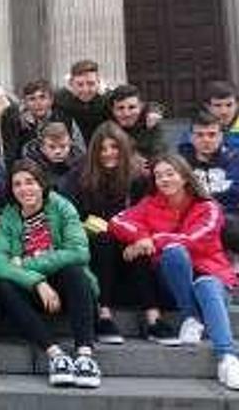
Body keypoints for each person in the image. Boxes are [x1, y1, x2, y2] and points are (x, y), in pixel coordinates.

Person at [110, 154, 239, 390]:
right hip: (172, 283)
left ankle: (228, 358)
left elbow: (195, 240)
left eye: (170, 173)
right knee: (173, 254)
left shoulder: (208, 207)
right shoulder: (150, 203)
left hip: (213, 278)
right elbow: (117, 221)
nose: (164, 179)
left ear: (184, 176)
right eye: (159, 176)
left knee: (204, 282)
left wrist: (151, 239)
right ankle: (191, 315)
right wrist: (140, 236)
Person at [0, 159, 101, 388]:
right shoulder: (9, 216)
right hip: (33, 294)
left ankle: (85, 356)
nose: (24, 189)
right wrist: (37, 282)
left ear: (41, 184)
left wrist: (27, 264)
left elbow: (79, 252)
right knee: (3, 284)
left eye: (30, 182)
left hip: (70, 292)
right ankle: (55, 355)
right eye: (17, 184)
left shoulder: (62, 206)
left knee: (74, 271)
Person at [62, 122, 175, 345]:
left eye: (114, 147)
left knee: (139, 246)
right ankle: (104, 314)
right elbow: (71, 217)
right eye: (102, 149)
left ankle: (153, 318)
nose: (108, 153)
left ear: (123, 148)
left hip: (128, 240)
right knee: (104, 240)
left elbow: (146, 214)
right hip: (94, 242)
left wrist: (135, 237)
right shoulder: (79, 176)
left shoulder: (138, 178)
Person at [179, 111, 239, 253]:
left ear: (221, 136)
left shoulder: (235, 160)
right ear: (191, 137)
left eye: (212, 135)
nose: (206, 140)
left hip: (230, 219)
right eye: (200, 135)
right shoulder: (179, 163)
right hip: (192, 220)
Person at [2, 79, 83, 168]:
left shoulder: (64, 118)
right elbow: (10, 154)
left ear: (51, 100)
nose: (38, 103)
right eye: (32, 99)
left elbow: (79, 148)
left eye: (42, 97)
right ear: (25, 102)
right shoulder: (15, 122)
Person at [54, 60, 111, 144]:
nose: (85, 90)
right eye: (80, 84)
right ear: (71, 83)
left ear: (98, 82)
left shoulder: (109, 101)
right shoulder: (59, 101)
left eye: (91, 83)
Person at [107, 84, 165, 164]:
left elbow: (159, 156)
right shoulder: (107, 128)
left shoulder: (150, 123)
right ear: (112, 110)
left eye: (132, 107)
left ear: (141, 107)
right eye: (120, 108)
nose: (126, 113)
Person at [23, 122, 85, 193]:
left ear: (70, 145)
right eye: (52, 147)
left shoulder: (80, 163)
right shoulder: (31, 165)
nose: (57, 152)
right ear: (42, 148)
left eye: (63, 146)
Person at [178, 82, 239, 152]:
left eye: (229, 105)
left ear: (237, 104)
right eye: (217, 105)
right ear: (207, 106)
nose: (224, 111)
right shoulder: (196, 130)